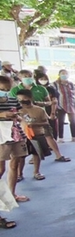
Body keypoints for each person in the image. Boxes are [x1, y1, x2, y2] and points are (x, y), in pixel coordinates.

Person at [17, 89, 70, 178]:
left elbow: (46, 123)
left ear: (30, 98)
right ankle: (19, 174)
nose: (22, 101)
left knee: (36, 155)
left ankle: (36, 172)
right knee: (21, 157)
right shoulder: (19, 111)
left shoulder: (39, 110)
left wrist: (35, 124)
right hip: (22, 136)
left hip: (37, 135)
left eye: (24, 98)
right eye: (19, 99)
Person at [0, 74, 29, 206]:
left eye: (7, 89)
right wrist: (3, 114)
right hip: (2, 136)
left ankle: (12, 194)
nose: (5, 92)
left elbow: (20, 114)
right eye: (3, 89)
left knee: (14, 164)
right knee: (1, 168)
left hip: (15, 133)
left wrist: (18, 117)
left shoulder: (13, 100)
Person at [53, 69, 75, 142]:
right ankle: (60, 138)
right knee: (60, 122)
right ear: (59, 75)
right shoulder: (55, 84)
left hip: (71, 105)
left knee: (73, 122)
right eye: (62, 73)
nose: (64, 75)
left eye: (66, 73)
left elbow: (74, 93)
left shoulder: (71, 84)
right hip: (60, 106)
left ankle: (74, 137)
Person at [35, 70, 59, 140]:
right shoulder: (34, 89)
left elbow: (54, 101)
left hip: (50, 109)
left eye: (45, 79)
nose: (43, 81)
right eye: (41, 79)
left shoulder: (51, 89)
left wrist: (53, 113)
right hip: (39, 111)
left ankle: (53, 141)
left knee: (51, 126)